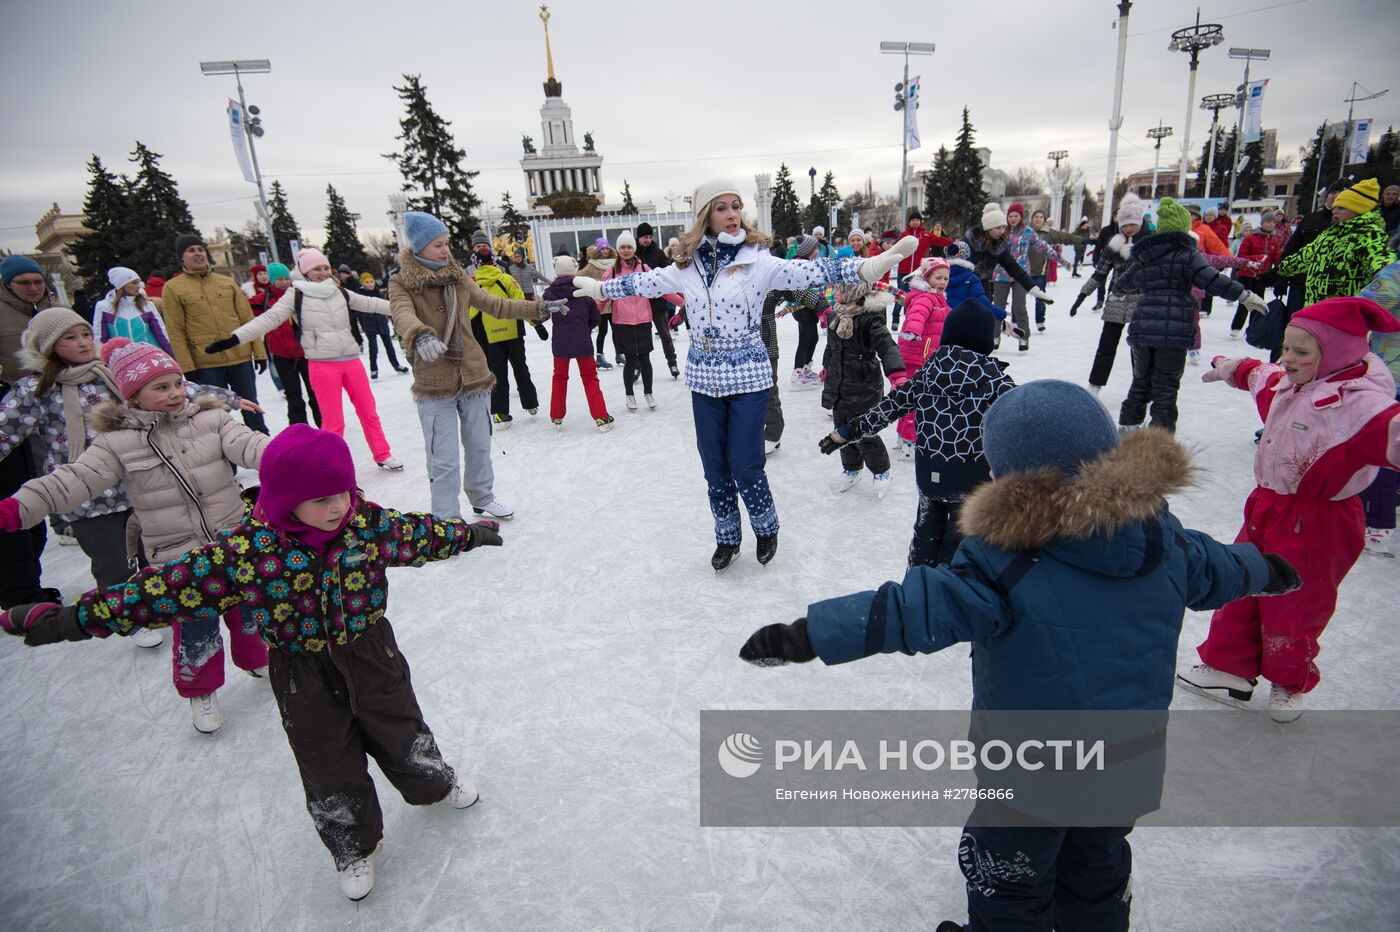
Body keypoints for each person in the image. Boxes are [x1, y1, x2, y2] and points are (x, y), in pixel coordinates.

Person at [739, 379, 1293, 932]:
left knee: (1009, 880)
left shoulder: (1006, 563)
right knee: (1097, 874)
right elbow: (1226, 568)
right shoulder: (1167, 543)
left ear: (1013, 478)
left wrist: (807, 635)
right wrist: (1269, 569)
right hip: (1129, 763)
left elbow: (914, 609)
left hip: (1032, 772)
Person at [0, 425, 501, 900]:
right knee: (325, 760)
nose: (339, 506)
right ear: (285, 499)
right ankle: (351, 846)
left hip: (371, 653)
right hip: (300, 671)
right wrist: (72, 619)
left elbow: (421, 535)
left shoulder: (366, 526)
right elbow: (162, 591)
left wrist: (470, 534)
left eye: (345, 492)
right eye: (322, 498)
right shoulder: (248, 552)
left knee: (401, 727)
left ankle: (434, 782)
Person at [572, 179, 915, 571]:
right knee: (714, 468)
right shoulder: (685, 267)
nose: (732, 213)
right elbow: (642, 282)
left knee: (746, 465)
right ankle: (727, 538)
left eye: (736, 206)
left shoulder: (760, 262)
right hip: (704, 383)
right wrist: (602, 291)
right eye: (722, 207)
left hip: (750, 380)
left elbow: (811, 272)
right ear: (705, 216)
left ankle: (766, 529)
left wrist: (870, 265)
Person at [0, 337, 271, 730]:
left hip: (233, 542)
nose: (176, 393)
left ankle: (257, 657)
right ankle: (201, 691)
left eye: (177, 383)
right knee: (196, 629)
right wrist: (19, 507)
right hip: (179, 558)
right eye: (161, 388)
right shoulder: (115, 443)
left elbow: (252, 446)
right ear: (132, 395)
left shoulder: (211, 421)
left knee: (249, 610)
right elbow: (72, 480)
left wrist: (294, 457)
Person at [1181, 297, 1400, 722]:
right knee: (1243, 582)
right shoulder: (1287, 383)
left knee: (1298, 601)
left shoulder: (1361, 406)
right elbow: (1256, 374)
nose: (1287, 358)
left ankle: (1289, 681)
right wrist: (1229, 366)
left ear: (1335, 354)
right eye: (1286, 347)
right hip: (1266, 506)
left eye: (1301, 352)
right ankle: (1230, 668)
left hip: (1321, 520)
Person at [0, 308, 250, 647]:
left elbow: (188, 393)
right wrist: (20, 506)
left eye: (85, 334)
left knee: (223, 597)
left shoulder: (119, 378)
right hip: (98, 500)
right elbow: (62, 468)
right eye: (70, 338)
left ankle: (243, 650)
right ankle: (135, 618)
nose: (83, 343)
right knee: (117, 564)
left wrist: (232, 400)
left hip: (167, 500)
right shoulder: (39, 390)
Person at [387, 211, 559, 521]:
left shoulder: (458, 278)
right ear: (419, 246)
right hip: (434, 380)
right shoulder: (402, 283)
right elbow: (402, 314)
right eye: (438, 244)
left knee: (480, 446)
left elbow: (496, 304)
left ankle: (482, 497)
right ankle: (446, 516)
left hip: (473, 373)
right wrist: (419, 334)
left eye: (446, 243)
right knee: (444, 457)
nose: (445, 250)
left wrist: (539, 307)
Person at [829, 298, 1014, 570]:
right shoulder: (996, 381)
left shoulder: (928, 373)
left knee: (925, 535)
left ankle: (917, 585)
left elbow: (889, 407)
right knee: (959, 543)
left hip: (930, 473)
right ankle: (949, 592)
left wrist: (847, 431)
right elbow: (1022, 424)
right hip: (971, 478)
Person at [204, 248, 404, 471]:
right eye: (317, 268)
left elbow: (374, 304)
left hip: (351, 361)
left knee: (369, 411)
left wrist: (409, 310)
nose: (323, 272)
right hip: (322, 364)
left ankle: (382, 453)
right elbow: (269, 319)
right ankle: (332, 463)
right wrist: (234, 339)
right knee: (333, 421)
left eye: (326, 267)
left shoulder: (338, 291)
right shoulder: (296, 294)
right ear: (305, 271)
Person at [1114, 199, 1266, 433]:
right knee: (1165, 387)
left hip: (1143, 328)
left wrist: (1130, 291)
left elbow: (1122, 285)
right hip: (1174, 332)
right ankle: (1158, 442)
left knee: (1140, 383)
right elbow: (1212, 280)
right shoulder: (1187, 254)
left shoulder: (1145, 256)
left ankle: (1127, 428)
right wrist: (1244, 295)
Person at [159, 235, 268, 433]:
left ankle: (267, 456)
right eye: (191, 250)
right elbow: (176, 330)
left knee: (253, 410)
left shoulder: (226, 282)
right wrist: (188, 367)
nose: (198, 254)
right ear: (181, 256)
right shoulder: (173, 288)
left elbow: (248, 320)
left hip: (240, 359)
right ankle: (226, 461)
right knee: (216, 418)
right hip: (207, 365)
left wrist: (260, 353)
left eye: (200, 249)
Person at [0, 255, 61, 607]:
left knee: (41, 484)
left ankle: (29, 582)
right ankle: (19, 592)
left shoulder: (52, 307)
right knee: (14, 492)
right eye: (24, 282)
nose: (33, 287)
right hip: (12, 407)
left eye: (37, 281)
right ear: (8, 284)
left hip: (50, 409)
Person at [818, 282, 905, 497]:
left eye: (839, 290)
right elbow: (832, 346)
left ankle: (881, 470)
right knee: (841, 428)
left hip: (863, 382)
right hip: (839, 382)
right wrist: (826, 367)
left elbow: (886, 345)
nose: (834, 293)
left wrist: (896, 373)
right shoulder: (835, 316)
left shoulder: (870, 318)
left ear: (852, 293)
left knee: (864, 430)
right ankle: (852, 467)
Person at [949, 203, 1054, 352]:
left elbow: (1015, 269)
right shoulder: (968, 242)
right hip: (961, 286)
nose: (1002, 231)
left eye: (1003, 227)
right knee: (961, 322)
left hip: (982, 287)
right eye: (998, 228)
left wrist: (1035, 290)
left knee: (983, 319)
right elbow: (947, 262)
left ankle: (979, 351)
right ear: (988, 227)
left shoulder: (999, 247)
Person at [1275, 178, 1392, 307]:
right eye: (1335, 207)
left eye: (1341, 207)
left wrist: (1374, 297)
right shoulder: (1331, 233)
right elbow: (1304, 256)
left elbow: (1383, 265)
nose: (1335, 210)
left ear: (1358, 210)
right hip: (1314, 307)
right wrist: (1276, 273)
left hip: (1343, 314)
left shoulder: (1370, 235)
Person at [1072, 195, 1146, 395]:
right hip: (1116, 300)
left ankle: (1140, 387)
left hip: (1142, 303)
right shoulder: (1114, 244)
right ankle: (1095, 385)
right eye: (1125, 224)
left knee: (1139, 349)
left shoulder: (1148, 245)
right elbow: (1101, 272)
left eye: (1132, 224)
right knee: (1106, 345)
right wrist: (1082, 295)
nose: (1129, 228)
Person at [469, 248, 542, 428]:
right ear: (493, 261)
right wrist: (536, 324)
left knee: (497, 373)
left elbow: (471, 313)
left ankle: (500, 413)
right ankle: (531, 403)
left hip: (490, 336)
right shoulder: (506, 279)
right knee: (520, 367)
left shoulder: (475, 285)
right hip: (513, 332)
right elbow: (521, 304)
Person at [604, 230, 674, 412]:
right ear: (618, 250)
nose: (626, 250)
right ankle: (629, 394)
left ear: (634, 248)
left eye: (629, 247)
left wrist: (682, 301)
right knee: (629, 360)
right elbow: (600, 296)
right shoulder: (612, 272)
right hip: (622, 322)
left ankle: (648, 392)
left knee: (644, 358)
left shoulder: (643, 269)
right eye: (622, 247)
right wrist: (588, 316)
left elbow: (661, 288)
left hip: (643, 320)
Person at [891, 257, 952, 460]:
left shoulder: (939, 298)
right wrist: (912, 331)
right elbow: (917, 316)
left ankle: (902, 437)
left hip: (923, 354)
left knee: (909, 398)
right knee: (917, 400)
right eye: (938, 277)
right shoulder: (926, 298)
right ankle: (910, 442)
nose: (942, 282)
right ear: (927, 277)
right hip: (917, 356)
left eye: (946, 278)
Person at [542, 255, 612, 431]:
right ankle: (601, 417)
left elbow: (541, 313)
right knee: (590, 378)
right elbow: (595, 317)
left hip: (560, 342)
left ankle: (556, 415)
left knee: (559, 377)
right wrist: (585, 328)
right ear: (573, 269)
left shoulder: (549, 292)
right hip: (582, 341)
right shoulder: (583, 290)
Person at [252, 263, 321, 426]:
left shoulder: (299, 293)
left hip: (305, 352)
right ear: (271, 280)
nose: (284, 282)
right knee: (293, 395)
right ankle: (299, 430)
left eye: (286, 278)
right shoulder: (264, 299)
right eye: (279, 279)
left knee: (315, 393)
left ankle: (325, 426)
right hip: (282, 355)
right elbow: (245, 309)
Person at [991, 202, 1063, 349]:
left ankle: (1024, 337)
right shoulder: (1001, 232)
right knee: (998, 307)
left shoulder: (1028, 232)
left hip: (1020, 275)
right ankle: (994, 336)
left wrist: (1059, 258)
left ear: (1021, 217)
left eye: (1016, 215)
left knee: (1019, 307)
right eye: (1010, 216)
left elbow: (1042, 246)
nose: (1012, 218)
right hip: (1001, 274)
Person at [634, 222, 681, 379]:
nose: (647, 240)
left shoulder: (659, 253)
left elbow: (666, 274)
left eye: (649, 237)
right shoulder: (633, 254)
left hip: (657, 302)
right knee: (641, 337)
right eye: (644, 237)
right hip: (639, 303)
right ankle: (637, 367)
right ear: (638, 238)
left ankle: (672, 362)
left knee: (665, 334)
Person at [91, 267, 173, 354]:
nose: (138, 286)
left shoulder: (147, 305)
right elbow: (100, 339)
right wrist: (104, 361)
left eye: (138, 282)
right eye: (134, 283)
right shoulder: (103, 307)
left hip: (151, 357)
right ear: (121, 285)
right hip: (121, 360)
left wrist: (173, 357)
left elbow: (161, 334)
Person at [1230, 213, 1285, 337]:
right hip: (1247, 274)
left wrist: (1281, 269)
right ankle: (1236, 327)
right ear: (1262, 223)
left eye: (1273, 222)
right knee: (1246, 300)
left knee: (1259, 303)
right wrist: (1256, 258)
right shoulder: (1250, 238)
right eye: (1268, 221)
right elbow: (1241, 257)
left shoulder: (1274, 241)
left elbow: (1277, 259)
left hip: (1262, 276)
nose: (1271, 224)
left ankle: (1253, 328)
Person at [785, 235, 825, 387]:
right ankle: (797, 372)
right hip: (802, 308)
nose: (817, 251)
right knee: (805, 340)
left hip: (809, 308)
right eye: (815, 249)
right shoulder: (801, 266)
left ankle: (806, 368)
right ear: (808, 251)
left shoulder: (808, 263)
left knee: (812, 339)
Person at [353, 271, 408, 380]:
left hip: (382, 323)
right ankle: (374, 369)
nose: (370, 284)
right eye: (367, 282)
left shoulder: (379, 293)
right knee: (373, 349)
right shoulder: (360, 295)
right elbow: (357, 310)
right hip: (370, 324)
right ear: (363, 284)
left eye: (371, 281)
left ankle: (396, 365)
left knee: (390, 347)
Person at [579, 237, 619, 368]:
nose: (605, 251)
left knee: (616, 330)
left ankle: (620, 354)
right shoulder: (592, 264)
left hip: (613, 303)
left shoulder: (615, 262)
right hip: (600, 304)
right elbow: (579, 275)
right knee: (603, 331)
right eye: (602, 248)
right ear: (598, 250)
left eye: (607, 248)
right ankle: (600, 357)